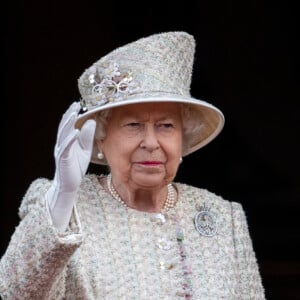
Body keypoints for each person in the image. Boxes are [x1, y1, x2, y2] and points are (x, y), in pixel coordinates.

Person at [0, 31, 265, 299]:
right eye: (133, 125)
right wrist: (63, 195)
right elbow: (16, 293)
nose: (151, 142)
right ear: (101, 137)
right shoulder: (62, 207)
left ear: (182, 139)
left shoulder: (224, 218)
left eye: (166, 126)